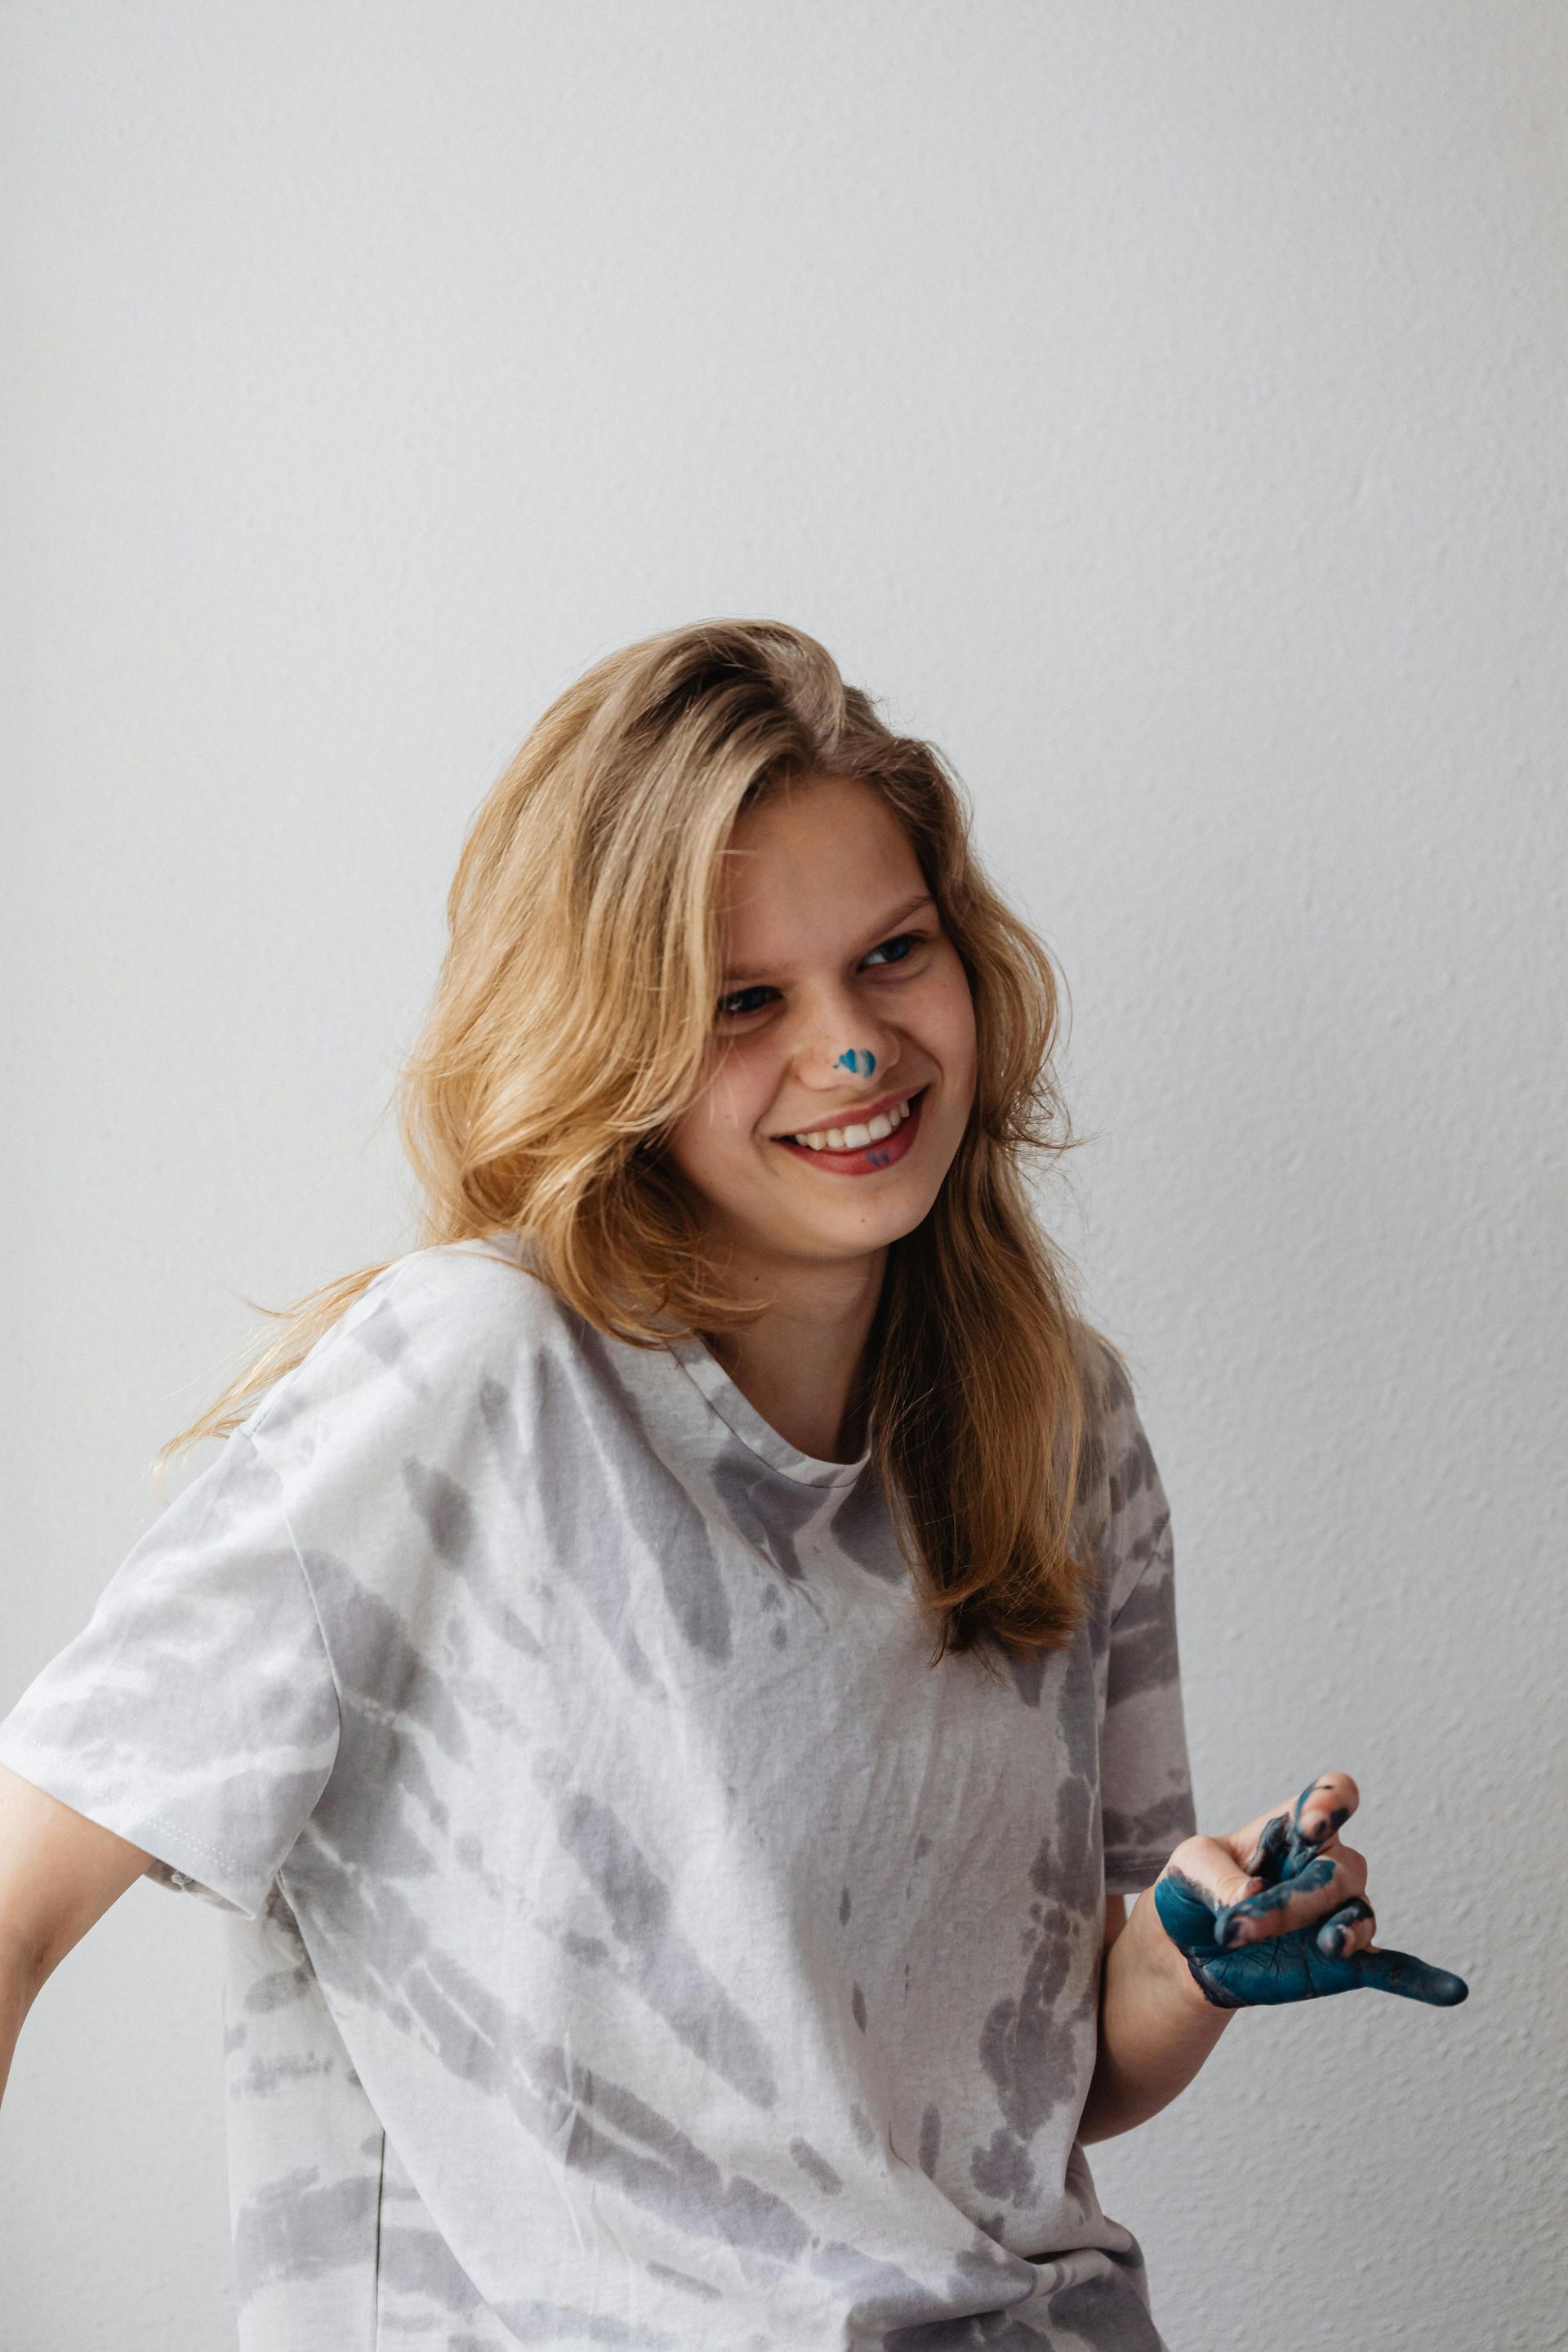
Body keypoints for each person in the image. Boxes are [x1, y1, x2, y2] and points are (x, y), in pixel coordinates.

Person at [0, 621, 1464, 2351]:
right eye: (744, 1003)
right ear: (611, 1039)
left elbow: (1049, 2077)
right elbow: (19, 1908)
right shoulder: (473, 1378)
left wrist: (1197, 1957)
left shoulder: (1060, 1422)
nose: (855, 1054)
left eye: (894, 956)